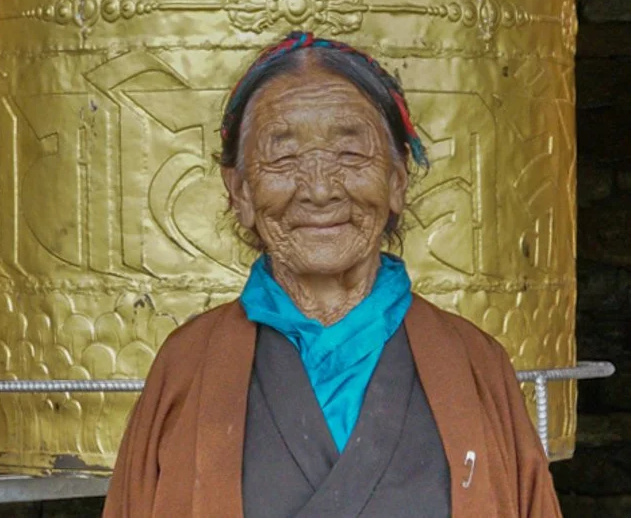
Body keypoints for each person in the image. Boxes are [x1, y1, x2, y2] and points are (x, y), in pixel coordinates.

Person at [102, 31, 562, 517]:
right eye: (284, 157)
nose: (319, 190)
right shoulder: (188, 367)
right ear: (238, 192)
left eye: (349, 154)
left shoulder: (474, 365)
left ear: (396, 182)